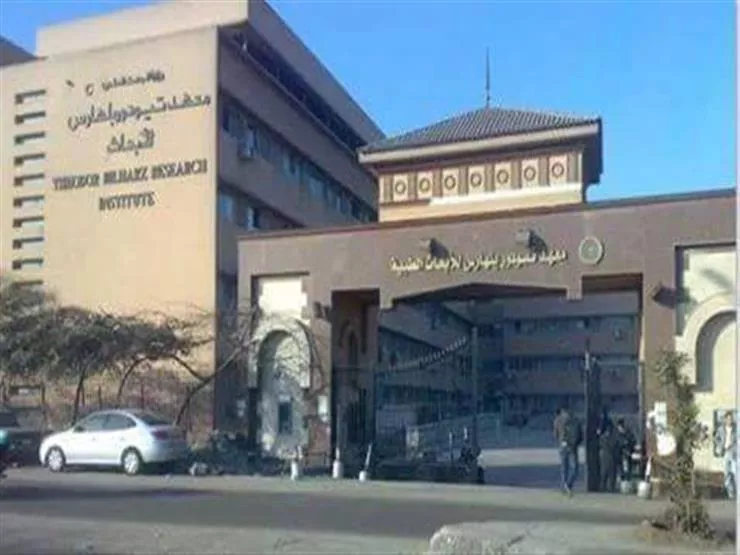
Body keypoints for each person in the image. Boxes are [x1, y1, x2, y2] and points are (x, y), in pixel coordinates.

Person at [554, 407, 582, 496]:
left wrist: (561, 441)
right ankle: (567, 485)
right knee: (573, 468)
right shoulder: (575, 420)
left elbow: (555, 434)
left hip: (565, 446)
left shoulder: (558, 420)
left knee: (565, 468)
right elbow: (580, 435)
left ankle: (565, 485)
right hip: (571, 447)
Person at [715, 410, 736, 500]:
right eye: (728, 419)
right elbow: (716, 439)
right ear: (725, 419)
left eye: (731, 419)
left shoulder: (736, 429)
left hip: (734, 452)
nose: (729, 420)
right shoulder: (721, 429)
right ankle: (731, 493)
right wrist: (720, 446)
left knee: (735, 472)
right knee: (727, 473)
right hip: (726, 452)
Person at [598, 418, 619, 492]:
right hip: (607, 456)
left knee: (609, 472)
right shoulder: (605, 437)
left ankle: (609, 487)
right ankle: (605, 486)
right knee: (606, 472)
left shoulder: (607, 437)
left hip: (608, 456)